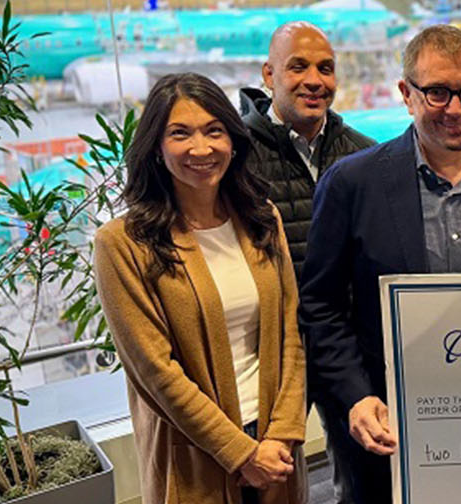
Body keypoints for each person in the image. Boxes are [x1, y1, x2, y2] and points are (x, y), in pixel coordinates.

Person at [299, 25, 461, 503]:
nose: (456, 109)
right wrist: (356, 397)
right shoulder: (352, 184)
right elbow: (320, 306)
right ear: (407, 94)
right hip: (387, 424)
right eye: (438, 93)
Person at [94, 73, 307, 504]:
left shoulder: (261, 220)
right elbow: (156, 372)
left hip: (274, 445)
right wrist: (241, 452)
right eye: (180, 133)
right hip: (198, 455)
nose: (201, 148)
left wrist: (283, 432)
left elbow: (291, 334)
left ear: (233, 140)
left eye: (214, 131)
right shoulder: (122, 243)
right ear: (156, 146)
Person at [237, 21, 377, 269]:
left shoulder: (364, 154)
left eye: (325, 69)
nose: (314, 81)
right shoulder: (236, 155)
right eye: (298, 67)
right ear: (269, 75)